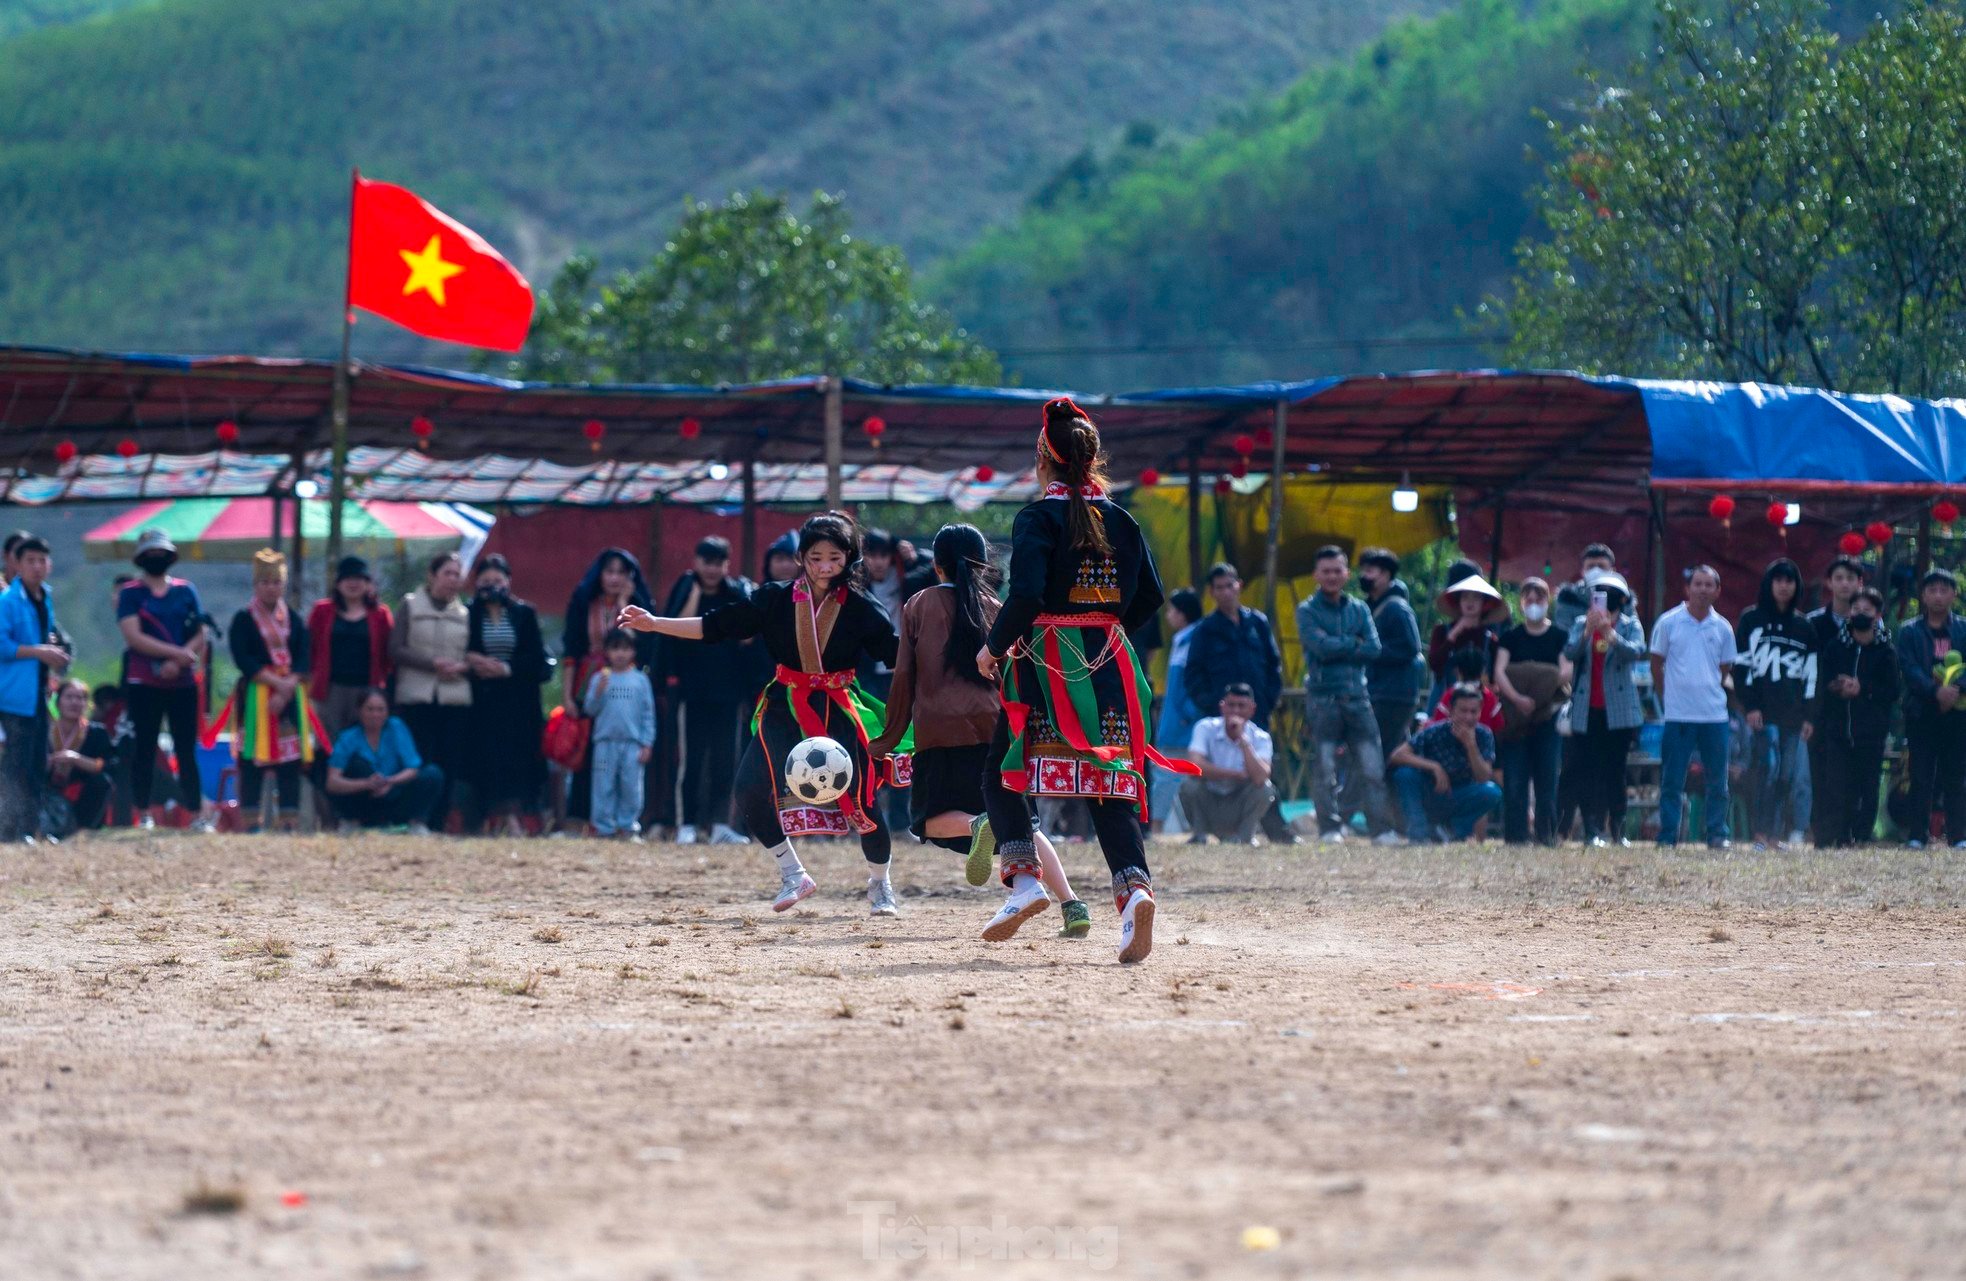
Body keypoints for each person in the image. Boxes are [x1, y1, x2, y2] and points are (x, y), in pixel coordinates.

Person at [971, 399, 1193, 962]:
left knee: (1006, 773)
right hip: (1109, 663)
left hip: (1046, 661)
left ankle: (1024, 886)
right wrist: (1104, 631)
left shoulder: (1036, 518)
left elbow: (1025, 595)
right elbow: (1149, 597)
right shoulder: (1121, 519)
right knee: (1107, 786)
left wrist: (993, 646)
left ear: (1044, 458)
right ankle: (1134, 892)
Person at [619, 512, 906, 915]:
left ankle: (881, 884)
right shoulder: (773, 598)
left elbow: (896, 654)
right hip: (785, 705)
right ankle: (793, 873)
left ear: (849, 559)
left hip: (838, 708)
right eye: (816, 557)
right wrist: (654, 624)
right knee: (749, 789)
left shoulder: (861, 607)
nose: (825, 567)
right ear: (802, 557)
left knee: (863, 801)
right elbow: (715, 625)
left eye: (835, 559)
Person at [868, 523, 1092, 937]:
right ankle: (1073, 904)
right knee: (1024, 823)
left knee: (928, 821)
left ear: (936, 566)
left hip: (939, 730)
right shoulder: (996, 607)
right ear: (984, 565)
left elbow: (903, 675)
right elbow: (1018, 676)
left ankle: (977, 825)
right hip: (995, 728)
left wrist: (888, 736)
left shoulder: (918, 604)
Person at [217, 550, 327, 831]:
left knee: (290, 761)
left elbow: (304, 654)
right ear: (256, 585)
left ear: (283, 584)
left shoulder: (294, 618)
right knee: (252, 759)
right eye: (265, 582)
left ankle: (288, 821)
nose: (271, 588)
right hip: (256, 696)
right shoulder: (244, 618)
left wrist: (288, 685)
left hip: (290, 696)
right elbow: (243, 657)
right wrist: (276, 684)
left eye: (276, 582)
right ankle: (252, 822)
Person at [656, 536, 754, 845]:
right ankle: (685, 824)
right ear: (696, 562)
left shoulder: (737, 592)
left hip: (728, 693)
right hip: (691, 693)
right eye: (706, 562)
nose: (711, 569)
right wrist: (695, 594)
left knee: (726, 761)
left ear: (726, 564)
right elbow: (677, 632)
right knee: (691, 761)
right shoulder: (686, 588)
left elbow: (747, 637)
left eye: (718, 563)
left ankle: (720, 825)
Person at [117, 528, 213, 831]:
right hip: (144, 682)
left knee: (186, 749)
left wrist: (182, 657)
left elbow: (201, 630)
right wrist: (176, 654)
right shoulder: (131, 593)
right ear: (141, 558)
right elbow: (133, 635)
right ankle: (142, 812)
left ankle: (196, 814)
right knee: (144, 747)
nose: (156, 557)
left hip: (182, 683)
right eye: (150, 553)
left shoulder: (186, 591)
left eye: (161, 552)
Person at [1297, 545, 1394, 844]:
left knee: (1372, 768)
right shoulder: (1306, 610)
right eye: (1326, 571)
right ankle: (1330, 829)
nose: (1332, 576)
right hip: (1323, 699)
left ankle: (1381, 830)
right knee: (1324, 768)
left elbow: (1374, 649)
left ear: (1346, 573)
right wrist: (1354, 643)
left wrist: (1337, 644)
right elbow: (1319, 648)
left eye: (1337, 570)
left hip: (1357, 697)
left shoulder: (1359, 608)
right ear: (1316, 574)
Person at [560, 548, 655, 835]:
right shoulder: (584, 602)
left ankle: (626, 823)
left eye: (621, 573)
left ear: (631, 577)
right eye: (609, 571)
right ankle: (584, 820)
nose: (614, 578)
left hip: (627, 684)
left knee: (626, 769)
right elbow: (571, 651)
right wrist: (566, 696)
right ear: (599, 575)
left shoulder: (637, 605)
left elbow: (642, 646)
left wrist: (625, 602)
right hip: (590, 681)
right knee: (586, 754)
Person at [1733, 558, 1820, 848]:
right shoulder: (1751, 620)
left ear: (1797, 586)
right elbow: (1742, 666)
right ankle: (1759, 833)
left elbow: (1811, 675)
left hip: (1794, 717)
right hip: (1764, 714)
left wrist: (1809, 716)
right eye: (1778, 580)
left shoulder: (1804, 627)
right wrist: (1751, 706)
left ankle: (1775, 835)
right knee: (1767, 769)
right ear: (1769, 584)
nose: (1784, 586)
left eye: (1789, 580)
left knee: (1786, 776)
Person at [1651, 565, 1739, 849]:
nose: (1702, 589)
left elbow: (1725, 668)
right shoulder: (1669, 622)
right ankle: (1668, 836)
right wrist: (1668, 696)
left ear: (1717, 591)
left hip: (1714, 715)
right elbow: (1656, 663)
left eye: (1708, 585)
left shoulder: (1723, 628)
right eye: (1697, 584)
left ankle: (1717, 833)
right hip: (1678, 715)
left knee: (1718, 781)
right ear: (1687, 589)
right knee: (1672, 781)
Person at [465, 554, 550, 836]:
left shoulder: (524, 613)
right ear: (476, 583)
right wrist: (475, 662)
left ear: (508, 581)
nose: (492, 586)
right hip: (482, 700)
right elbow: (461, 648)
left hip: (518, 701)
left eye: (497, 580)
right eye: (486, 581)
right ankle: (488, 818)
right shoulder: (468, 614)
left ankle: (518, 819)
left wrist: (504, 668)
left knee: (518, 759)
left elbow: (536, 658)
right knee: (487, 758)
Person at [391, 552, 473, 831]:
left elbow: (472, 654)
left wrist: (462, 667)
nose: (452, 579)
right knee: (417, 761)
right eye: (447, 573)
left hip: (453, 699)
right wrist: (431, 664)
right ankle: (413, 819)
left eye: (456, 574)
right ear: (432, 575)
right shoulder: (410, 605)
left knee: (448, 761)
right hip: (416, 698)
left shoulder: (464, 614)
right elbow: (395, 649)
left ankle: (438, 822)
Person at [1564, 569, 1646, 846]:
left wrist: (1610, 634)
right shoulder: (1580, 623)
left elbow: (1635, 651)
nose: (1604, 601)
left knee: (1615, 771)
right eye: (1599, 595)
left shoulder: (1629, 624)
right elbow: (1569, 653)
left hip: (1619, 710)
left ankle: (1618, 831)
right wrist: (1588, 631)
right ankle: (1592, 831)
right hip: (1587, 708)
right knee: (1588, 771)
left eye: (1611, 596)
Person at [1815, 587, 1898, 846]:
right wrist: (1837, 687)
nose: (1860, 614)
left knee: (1868, 786)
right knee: (1837, 786)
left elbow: (1893, 690)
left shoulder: (1886, 650)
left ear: (1877, 614)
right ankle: (1836, 836)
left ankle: (1861, 835)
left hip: (1871, 732)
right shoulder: (1836, 646)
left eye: (1867, 610)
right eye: (1856, 609)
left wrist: (1864, 689)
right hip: (1838, 729)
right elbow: (1822, 681)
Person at [1893, 568, 1966, 849]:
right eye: (1932, 590)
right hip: (1922, 712)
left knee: (1956, 776)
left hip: (1958, 713)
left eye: (1943, 590)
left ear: (1953, 594)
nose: (1938, 595)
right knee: (1921, 775)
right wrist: (1937, 692)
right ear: (1923, 595)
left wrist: (1955, 689)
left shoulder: (1963, 628)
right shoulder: (1909, 630)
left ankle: (1958, 836)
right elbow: (1909, 669)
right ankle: (1917, 835)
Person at [1494, 577, 1570, 845]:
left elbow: (1565, 672)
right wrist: (1518, 698)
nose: (1533, 604)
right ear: (1521, 602)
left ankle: (1546, 835)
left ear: (1547, 602)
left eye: (1539, 599)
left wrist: (1539, 695)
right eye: (1528, 599)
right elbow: (1500, 672)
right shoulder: (1511, 637)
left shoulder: (1559, 636)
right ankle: (1515, 837)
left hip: (1548, 716)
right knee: (1514, 777)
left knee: (1547, 777)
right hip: (1515, 718)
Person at [0, 535, 65, 844]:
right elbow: (2, 645)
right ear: (16, 564)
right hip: (14, 696)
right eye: (30, 561)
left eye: (42, 560)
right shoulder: (8, 601)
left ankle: (33, 827)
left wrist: (48, 648)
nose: (37, 567)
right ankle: (9, 830)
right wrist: (40, 651)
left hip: (38, 693)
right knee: (16, 764)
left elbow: (43, 638)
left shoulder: (45, 598)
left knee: (38, 762)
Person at [1386, 684, 1503, 843]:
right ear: (1451, 710)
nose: (1468, 717)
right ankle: (1419, 834)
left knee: (1492, 792)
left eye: (1473, 712)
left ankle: (1452, 832)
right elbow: (1398, 755)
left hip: (1461, 795)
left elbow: (1483, 777)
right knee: (1405, 774)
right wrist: (1434, 767)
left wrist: (1471, 746)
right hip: (1431, 791)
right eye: (1463, 711)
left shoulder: (1484, 735)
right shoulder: (1434, 731)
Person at [325, 688, 444, 832]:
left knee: (432, 773)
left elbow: (412, 768)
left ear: (387, 711)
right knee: (355, 764)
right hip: (364, 797)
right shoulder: (348, 737)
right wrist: (366, 784)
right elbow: (332, 782)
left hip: (394, 791)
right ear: (359, 711)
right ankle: (351, 821)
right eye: (370, 709)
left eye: (380, 709)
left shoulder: (396, 726)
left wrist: (389, 781)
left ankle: (415, 823)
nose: (375, 714)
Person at [1182, 563, 1283, 728]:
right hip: (1220, 717)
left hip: (1257, 713)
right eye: (1220, 587)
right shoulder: (1205, 630)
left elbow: (1274, 665)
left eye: (1230, 585)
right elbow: (1193, 674)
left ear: (1239, 585)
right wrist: (1211, 703)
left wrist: (1268, 700)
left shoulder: (1257, 623)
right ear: (1212, 592)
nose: (1226, 592)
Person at [307, 556, 394, 742]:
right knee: (328, 741)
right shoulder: (321, 611)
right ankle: (326, 772)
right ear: (338, 584)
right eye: (347, 578)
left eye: (359, 578)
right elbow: (310, 647)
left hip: (367, 689)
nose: (353, 583)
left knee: (364, 740)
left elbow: (389, 653)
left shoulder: (380, 614)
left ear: (367, 584)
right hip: (331, 690)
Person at [581, 629, 657, 840]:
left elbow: (648, 715)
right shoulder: (599, 679)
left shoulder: (641, 680)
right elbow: (589, 709)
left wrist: (647, 743)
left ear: (633, 651)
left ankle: (628, 827)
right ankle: (604, 828)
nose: (620, 654)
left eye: (625, 648)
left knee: (631, 788)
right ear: (607, 651)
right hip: (605, 743)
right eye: (615, 649)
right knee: (602, 786)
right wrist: (597, 693)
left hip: (632, 744)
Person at [1180, 683, 1275, 845]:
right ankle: (1200, 835)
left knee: (1265, 789)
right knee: (1189, 785)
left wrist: (1244, 742)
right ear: (1222, 707)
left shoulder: (1260, 737)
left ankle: (1245, 838)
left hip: (1239, 804)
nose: (1235, 711)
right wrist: (1235, 774)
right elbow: (1194, 766)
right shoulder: (1205, 728)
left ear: (1252, 709)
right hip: (1209, 801)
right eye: (1231, 705)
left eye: (1241, 706)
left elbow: (1260, 778)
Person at [1358, 548, 1422, 775]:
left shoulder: (1396, 608)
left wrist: (1370, 649)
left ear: (1385, 575)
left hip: (1393, 695)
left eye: (1370, 571)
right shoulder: (1370, 607)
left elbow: (1410, 647)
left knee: (1380, 754)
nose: (1364, 576)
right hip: (1380, 691)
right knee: (1389, 754)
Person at [1149, 588, 1205, 833]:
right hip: (1176, 720)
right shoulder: (1181, 638)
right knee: (1173, 776)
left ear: (1182, 613)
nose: (1169, 615)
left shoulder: (1195, 639)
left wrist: (1189, 714)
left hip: (1183, 723)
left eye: (1172, 610)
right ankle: (1182, 827)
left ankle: (1157, 825)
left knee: (1166, 777)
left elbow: (1194, 684)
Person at [45, 678, 112, 837]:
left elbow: (107, 765)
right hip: (46, 789)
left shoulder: (97, 732)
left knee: (101, 782)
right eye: (69, 697)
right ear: (58, 701)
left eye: (80, 698)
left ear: (86, 704)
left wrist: (75, 759)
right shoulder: (44, 731)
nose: (74, 702)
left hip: (78, 792)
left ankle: (83, 830)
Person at [1426, 573, 1507, 689]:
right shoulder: (1441, 631)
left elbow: (1495, 676)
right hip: (1444, 699)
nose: (1470, 601)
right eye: (1465, 597)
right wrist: (1454, 634)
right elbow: (1434, 664)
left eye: (1476, 597)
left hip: (1477, 702)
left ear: (1484, 603)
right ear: (1458, 602)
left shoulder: (1490, 639)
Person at [1552, 543, 1621, 636]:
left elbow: (1631, 636)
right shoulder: (1568, 599)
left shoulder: (1623, 599)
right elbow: (1564, 636)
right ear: (1583, 571)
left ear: (1612, 571)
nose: (1596, 571)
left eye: (1601, 566)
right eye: (1591, 566)